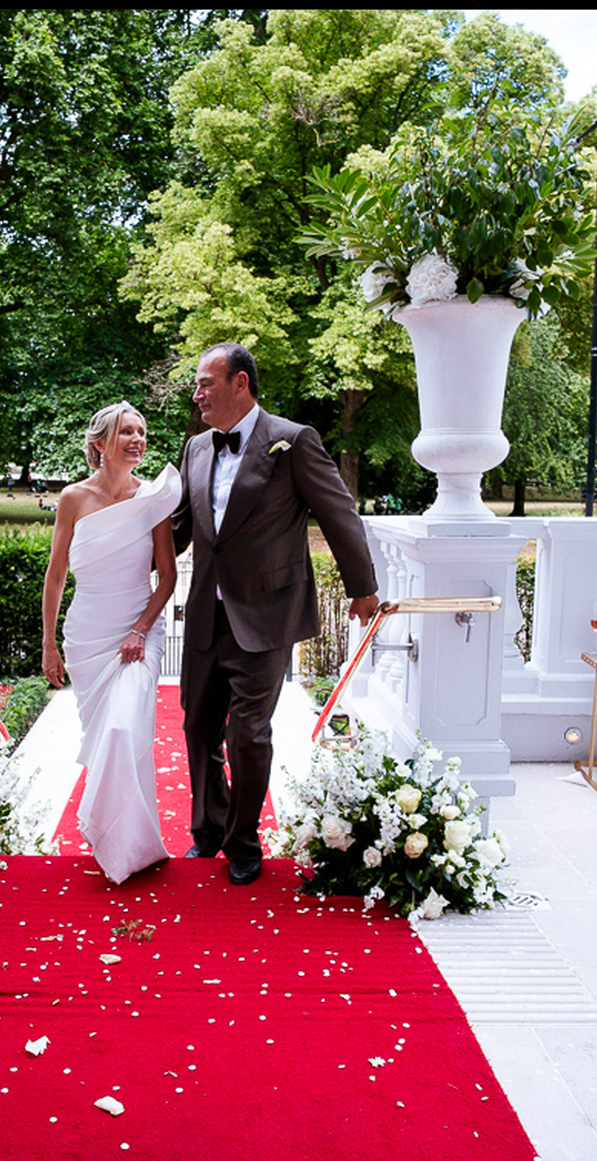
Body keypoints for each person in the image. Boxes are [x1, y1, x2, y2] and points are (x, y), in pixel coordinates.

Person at [173, 343, 379, 885]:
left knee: (248, 734)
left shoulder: (293, 440)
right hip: (204, 615)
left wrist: (363, 588)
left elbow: (339, 513)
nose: (197, 395)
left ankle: (244, 842)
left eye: (205, 384)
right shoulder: (195, 448)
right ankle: (207, 834)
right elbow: (176, 528)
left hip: (265, 613)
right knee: (198, 728)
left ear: (240, 383)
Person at [42, 402, 182, 883]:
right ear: (100, 442)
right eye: (126, 431)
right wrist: (48, 643)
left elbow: (167, 577)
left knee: (125, 730)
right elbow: (57, 574)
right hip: (87, 635)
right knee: (106, 735)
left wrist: (140, 628)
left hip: (138, 631)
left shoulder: (154, 498)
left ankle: (118, 838)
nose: (137, 439)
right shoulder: (73, 499)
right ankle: (131, 844)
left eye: (141, 432)